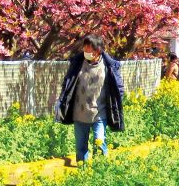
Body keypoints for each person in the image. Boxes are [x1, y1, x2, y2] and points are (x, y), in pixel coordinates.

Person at [54, 34, 126, 164]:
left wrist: (116, 101)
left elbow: (118, 88)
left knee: (99, 142)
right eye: (85, 48)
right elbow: (67, 84)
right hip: (79, 113)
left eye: (89, 48)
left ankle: (100, 168)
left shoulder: (109, 66)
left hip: (99, 113)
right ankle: (83, 170)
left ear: (98, 50)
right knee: (81, 147)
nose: (86, 51)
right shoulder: (77, 64)